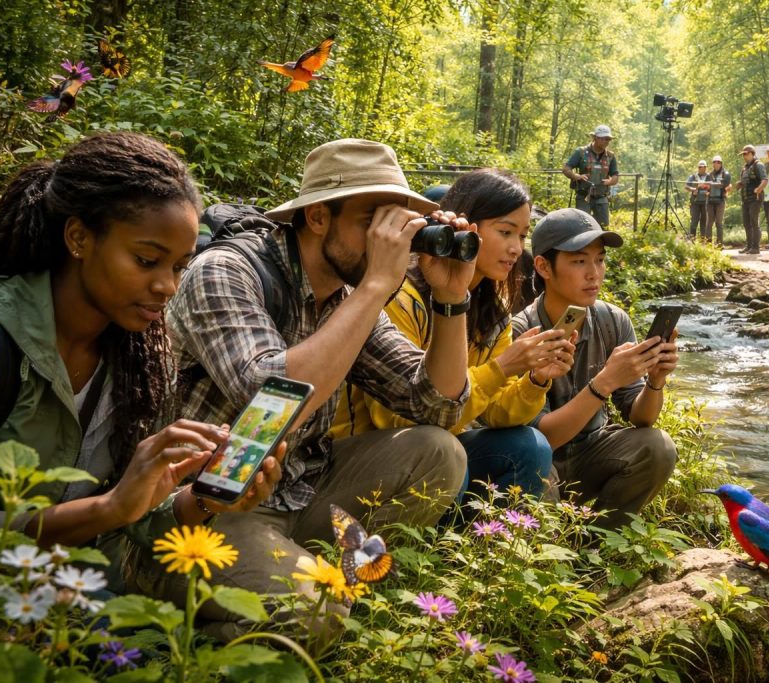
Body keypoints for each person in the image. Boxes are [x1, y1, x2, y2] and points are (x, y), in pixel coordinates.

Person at [134, 139, 474, 629]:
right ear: (317, 218)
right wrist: (378, 286)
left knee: (439, 450)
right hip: (206, 512)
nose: (388, 240)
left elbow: (438, 405)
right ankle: (202, 630)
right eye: (371, 222)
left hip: (301, 492)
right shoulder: (227, 270)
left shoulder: (347, 295)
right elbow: (268, 402)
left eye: (396, 223)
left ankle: (321, 582)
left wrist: (451, 297)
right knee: (318, 614)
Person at [0, 132, 281, 590]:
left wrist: (202, 499)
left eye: (180, 266)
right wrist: (105, 509)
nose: (167, 286)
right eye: (147, 260)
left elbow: (134, 521)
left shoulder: (142, 357)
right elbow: (108, 512)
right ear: (78, 237)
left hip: (76, 602)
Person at [333, 169, 574, 506]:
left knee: (528, 446)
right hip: (375, 451)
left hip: (439, 444)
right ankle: (427, 542)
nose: (516, 249)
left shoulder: (492, 309)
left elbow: (497, 413)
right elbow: (400, 418)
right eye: (505, 232)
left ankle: (488, 540)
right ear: (465, 227)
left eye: (522, 236)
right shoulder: (402, 299)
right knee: (444, 449)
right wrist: (502, 367)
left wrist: (535, 379)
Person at [512, 208, 679, 528]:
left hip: (593, 453)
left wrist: (655, 381)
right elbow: (543, 438)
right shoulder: (522, 332)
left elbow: (640, 417)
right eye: (579, 261)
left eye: (600, 259)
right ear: (543, 266)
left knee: (657, 447)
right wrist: (603, 383)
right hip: (538, 463)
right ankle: (547, 547)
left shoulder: (613, 320)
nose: (594, 273)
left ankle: (596, 543)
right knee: (536, 461)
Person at [562, 125, 619, 227]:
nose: (607, 141)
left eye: (609, 139)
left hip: (602, 197)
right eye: (605, 138)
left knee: (603, 227)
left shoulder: (610, 156)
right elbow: (566, 168)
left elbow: (615, 176)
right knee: (582, 227)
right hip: (583, 196)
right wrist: (576, 176)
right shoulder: (581, 152)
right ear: (596, 138)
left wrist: (610, 182)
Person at [733, 145, 768, 254]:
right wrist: (739, 184)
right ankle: (748, 246)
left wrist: (759, 189)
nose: (744, 156)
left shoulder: (759, 165)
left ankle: (755, 247)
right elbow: (745, 182)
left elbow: (765, 180)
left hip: (755, 199)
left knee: (754, 222)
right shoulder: (745, 168)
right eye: (743, 154)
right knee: (746, 223)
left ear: (752, 153)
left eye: (746, 154)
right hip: (745, 199)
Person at [706, 155, 732, 247]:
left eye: (718, 162)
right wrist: (706, 190)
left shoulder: (726, 174)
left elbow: (726, 185)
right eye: (714, 162)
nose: (716, 164)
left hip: (720, 201)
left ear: (721, 163)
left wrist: (720, 186)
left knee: (719, 223)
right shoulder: (709, 175)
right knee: (709, 223)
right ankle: (708, 244)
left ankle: (720, 244)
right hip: (710, 201)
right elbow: (706, 187)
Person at [684, 160, 711, 241]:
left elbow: (714, 187)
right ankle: (692, 241)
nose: (701, 168)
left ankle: (703, 241)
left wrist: (709, 192)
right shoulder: (693, 176)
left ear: (706, 167)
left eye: (703, 167)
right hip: (695, 202)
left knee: (704, 223)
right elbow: (686, 186)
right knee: (694, 222)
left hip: (705, 202)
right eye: (699, 167)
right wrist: (693, 189)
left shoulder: (710, 176)